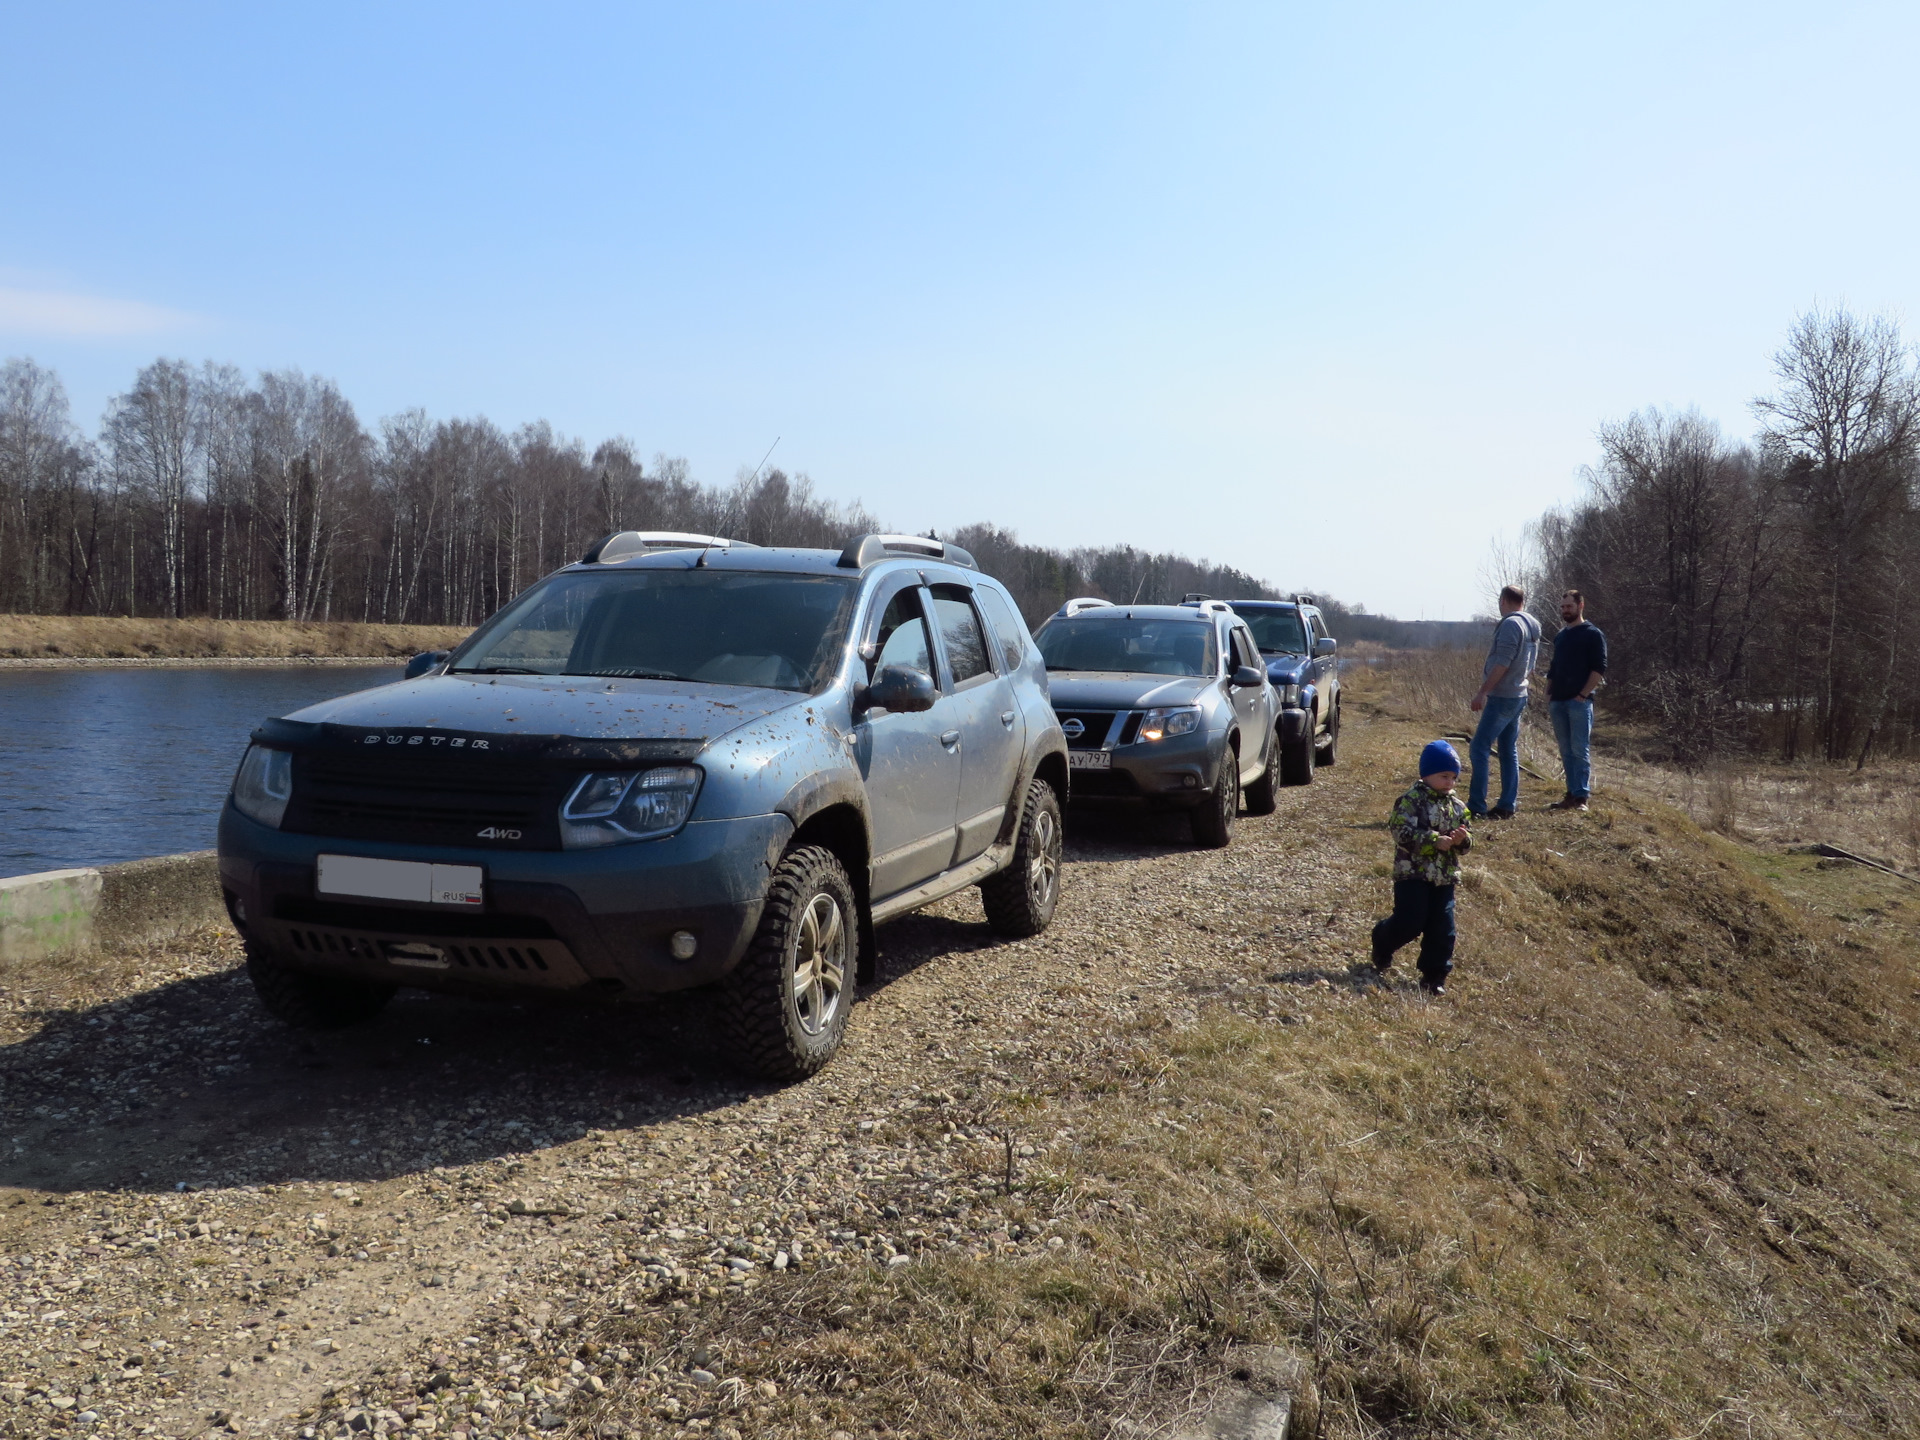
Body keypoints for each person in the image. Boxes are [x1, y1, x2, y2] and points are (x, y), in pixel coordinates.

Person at [1372, 740, 1472, 995]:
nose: (1449, 782)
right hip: (1412, 873)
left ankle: (1434, 975)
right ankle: (1383, 940)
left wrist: (1462, 841)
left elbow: (1467, 838)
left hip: (1444, 877)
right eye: (1443, 776)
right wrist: (1433, 841)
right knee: (1410, 921)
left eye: (1453, 777)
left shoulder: (1458, 806)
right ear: (1426, 774)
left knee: (1443, 928)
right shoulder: (1410, 800)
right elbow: (1401, 832)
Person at [1467, 584, 1541, 819]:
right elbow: (1530, 663)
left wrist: (1483, 692)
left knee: (1479, 747)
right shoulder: (1532, 623)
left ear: (1503, 601)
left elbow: (1503, 662)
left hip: (1503, 695)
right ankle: (1507, 804)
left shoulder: (1511, 624)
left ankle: (1477, 806)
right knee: (1508, 749)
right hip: (1519, 693)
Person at [1546, 589, 1607, 811]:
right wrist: (1548, 693)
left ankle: (1581, 797)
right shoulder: (1561, 635)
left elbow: (1599, 668)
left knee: (1579, 749)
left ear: (1580, 606)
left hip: (1579, 703)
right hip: (1558, 702)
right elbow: (1554, 667)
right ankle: (1570, 794)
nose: (1565, 610)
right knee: (1565, 750)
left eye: (1569, 606)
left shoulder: (1592, 634)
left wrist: (1583, 694)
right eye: (1562, 607)